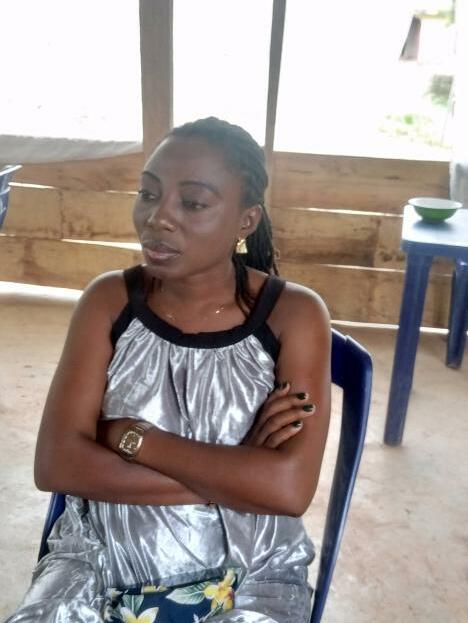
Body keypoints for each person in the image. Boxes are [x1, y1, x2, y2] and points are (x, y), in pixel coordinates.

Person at [6, 117, 331, 623]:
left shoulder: (294, 315)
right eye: (148, 193)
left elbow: (288, 492)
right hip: (98, 561)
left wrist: (133, 438)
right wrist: (239, 470)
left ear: (246, 221)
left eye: (193, 203)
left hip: (250, 571)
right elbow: (57, 466)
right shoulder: (108, 301)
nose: (158, 217)